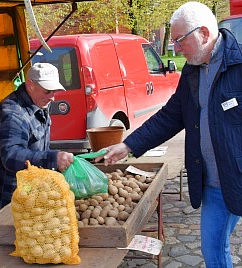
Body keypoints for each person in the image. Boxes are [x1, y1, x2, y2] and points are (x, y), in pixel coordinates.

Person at [96, 2, 242, 267]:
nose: (175, 48)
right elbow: (170, 117)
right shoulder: (191, 71)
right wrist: (128, 145)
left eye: (179, 40)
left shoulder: (240, 64)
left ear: (204, 34)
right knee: (213, 251)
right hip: (215, 185)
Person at [0, 62, 74, 211]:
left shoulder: (39, 102)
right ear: (30, 84)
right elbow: (11, 156)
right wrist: (52, 159)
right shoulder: (12, 114)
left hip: (28, 189)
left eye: (54, 91)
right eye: (47, 91)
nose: (52, 97)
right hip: (8, 195)